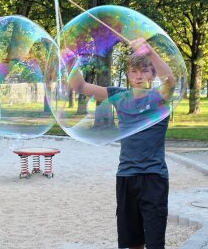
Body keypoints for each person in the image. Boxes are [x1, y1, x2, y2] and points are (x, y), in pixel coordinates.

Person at [69, 38, 176, 249]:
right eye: (134, 71)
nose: (139, 76)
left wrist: (150, 51)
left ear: (153, 75)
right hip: (126, 176)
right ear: (128, 74)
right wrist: (71, 63)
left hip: (153, 178)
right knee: (132, 241)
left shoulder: (160, 98)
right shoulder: (119, 96)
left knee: (155, 243)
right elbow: (80, 86)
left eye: (145, 71)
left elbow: (171, 80)